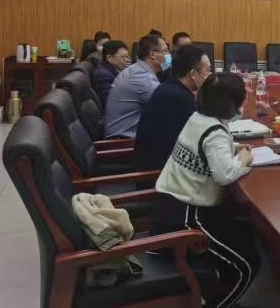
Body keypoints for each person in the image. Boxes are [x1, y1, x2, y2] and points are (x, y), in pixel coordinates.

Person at [154, 73, 259, 307]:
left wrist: (231, 146)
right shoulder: (215, 132)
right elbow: (225, 175)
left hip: (170, 206)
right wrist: (244, 157)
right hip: (187, 217)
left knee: (244, 235)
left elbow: (204, 145)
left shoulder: (198, 118)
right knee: (247, 265)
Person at [135, 45, 210, 171]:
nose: (209, 75)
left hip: (161, 162)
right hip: (160, 173)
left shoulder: (171, 86)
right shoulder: (179, 98)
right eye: (207, 71)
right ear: (193, 74)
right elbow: (198, 138)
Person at [104, 34, 171, 139]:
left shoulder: (137, 70)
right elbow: (169, 106)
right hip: (123, 143)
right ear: (153, 54)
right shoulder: (142, 77)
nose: (169, 55)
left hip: (127, 137)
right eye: (166, 51)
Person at [92, 40, 130, 107]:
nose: (126, 60)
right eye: (123, 57)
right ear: (109, 58)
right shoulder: (103, 75)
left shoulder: (112, 69)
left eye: (127, 57)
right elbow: (110, 102)